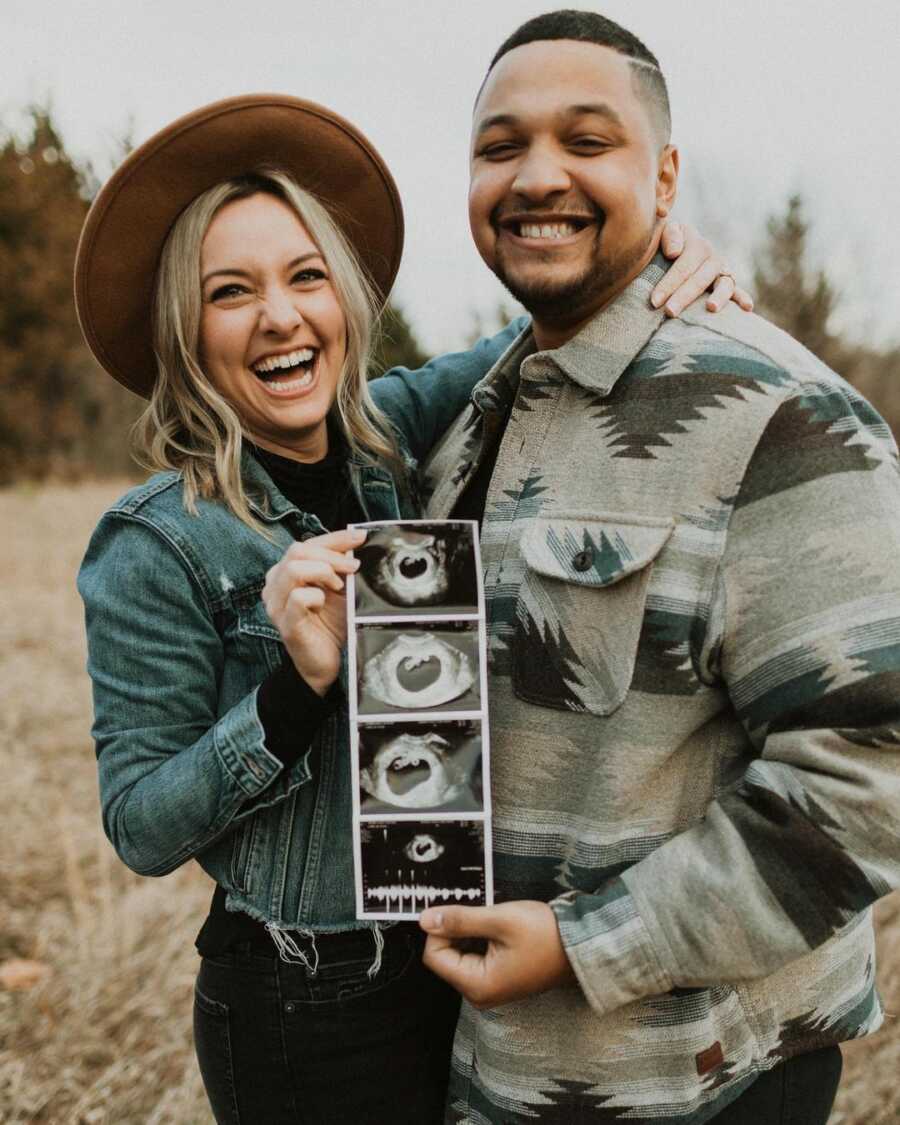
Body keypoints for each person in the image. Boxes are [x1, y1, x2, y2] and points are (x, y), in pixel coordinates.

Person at [74, 93, 740, 1124]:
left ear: (343, 296)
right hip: (306, 999)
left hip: (457, 967)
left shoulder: (399, 432)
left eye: (304, 277)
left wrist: (663, 256)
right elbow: (139, 827)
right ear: (186, 330)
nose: (280, 317)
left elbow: (545, 324)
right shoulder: (156, 541)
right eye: (230, 293)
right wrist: (291, 688)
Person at [414, 10, 900, 1125]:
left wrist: (590, 946)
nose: (538, 176)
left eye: (588, 142)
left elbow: (876, 772)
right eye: (501, 147)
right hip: (490, 1077)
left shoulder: (781, 417)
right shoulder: (467, 422)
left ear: (666, 174)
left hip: (698, 1087)